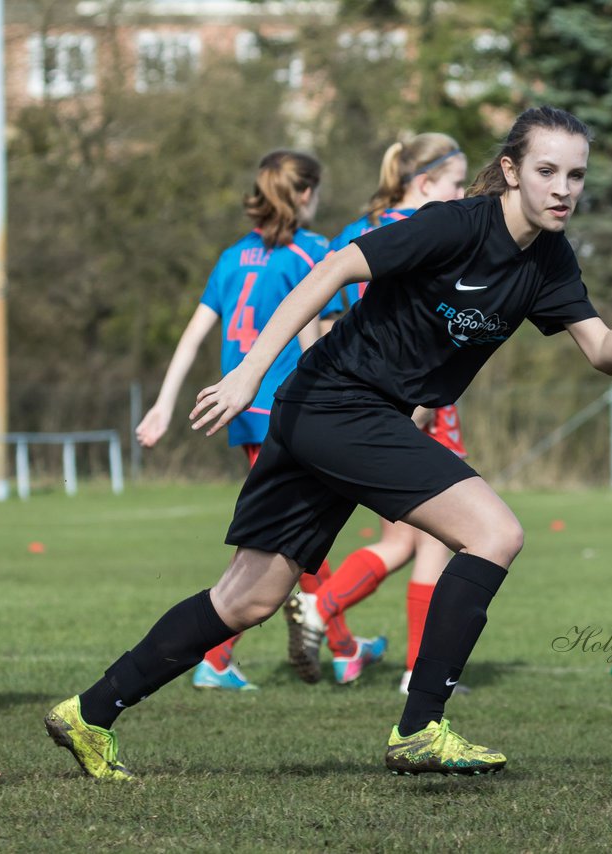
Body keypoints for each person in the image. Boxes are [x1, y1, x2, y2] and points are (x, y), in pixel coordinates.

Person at [44, 105, 612, 779]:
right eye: (547, 171)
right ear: (510, 171)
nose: (563, 189)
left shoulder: (550, 260)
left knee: (248, 599)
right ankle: (422, 728)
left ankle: (88, 713)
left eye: (576, 175)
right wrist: (247, 374)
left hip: (337, 411)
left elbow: (605, 352)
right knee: (494, 533)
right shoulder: (452, 224)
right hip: (337, 403)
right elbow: (332, 272)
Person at [134, 149, 383, 690]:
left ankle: (342, 647)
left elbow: (195, 332)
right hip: (293, 410)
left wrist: (164, 402)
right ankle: (221, 657)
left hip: (242, 411)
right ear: (306, 194)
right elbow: (315, 335)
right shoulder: (314, 251)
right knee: (291, 540)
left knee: (295, 535)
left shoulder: (231, 257)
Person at [290, 132, 473, 689]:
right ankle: (341, 622)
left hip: (354, 399)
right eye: (458, 184)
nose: (465, 195)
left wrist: (320, 383)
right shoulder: (432, 235)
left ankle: (407, 661)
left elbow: (312, 312)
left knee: (406, 539)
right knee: (437, 539)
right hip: (409, 400)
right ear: (426, 183)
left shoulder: (354, 231)